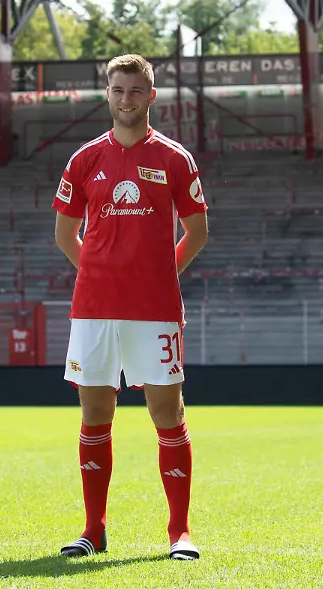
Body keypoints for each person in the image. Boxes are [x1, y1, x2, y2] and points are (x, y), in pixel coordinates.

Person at [50, 53, 209, 561]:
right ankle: (93, 530)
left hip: (155, 309)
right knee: (95, 414)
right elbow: (64, 234)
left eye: (135, 91)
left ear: (151, 97)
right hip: (94, 311)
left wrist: (158, 275)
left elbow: (197, 231)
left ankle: (179, 532)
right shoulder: (84, 160)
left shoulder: (174, 158)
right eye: (118, 90)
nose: (126, 99)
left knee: (167, 413)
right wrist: (100, 274)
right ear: (108, 94)